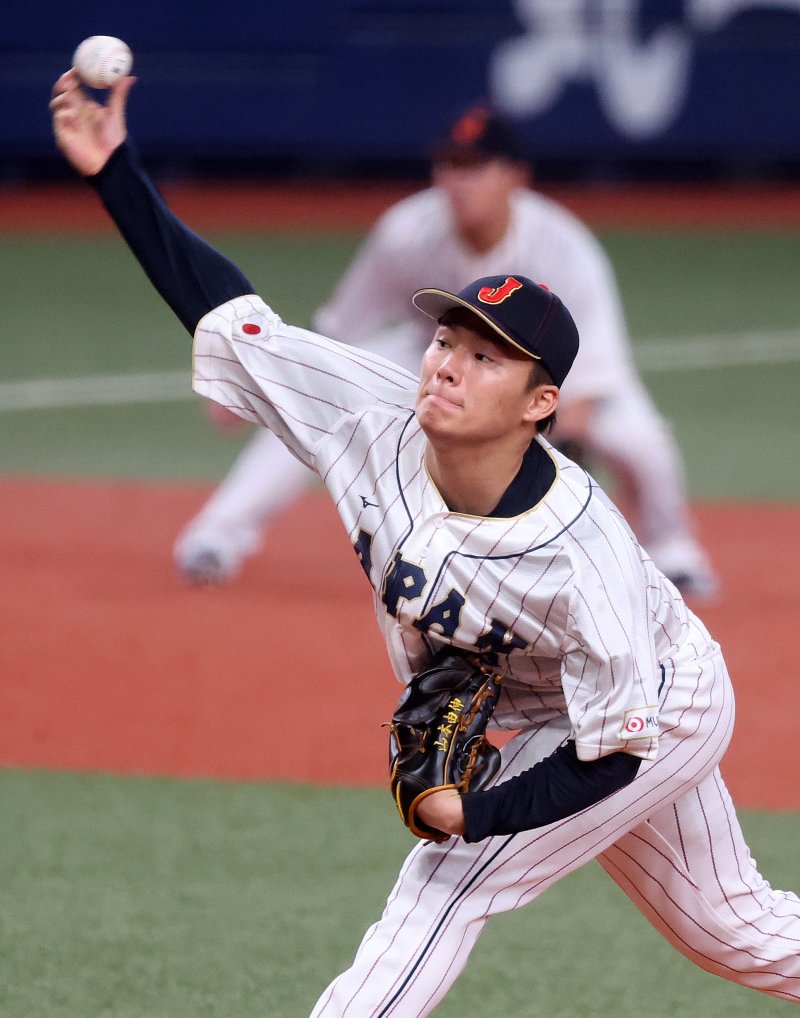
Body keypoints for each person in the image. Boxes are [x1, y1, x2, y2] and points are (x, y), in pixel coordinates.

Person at [50, 69, 800, 1015]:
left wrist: (475, 812)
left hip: (654, 710)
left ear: (539, 404)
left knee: (447, 882)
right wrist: (113, 170)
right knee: (737, 930)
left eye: (485, 356)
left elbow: (615, 749)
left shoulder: (580, 554)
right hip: (553, 701)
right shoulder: (373, 417)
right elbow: (231, 317)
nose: (448, 365)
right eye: (447, 339)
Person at [174, 104, 719, 601]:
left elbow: (588, 386)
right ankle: (217, 535)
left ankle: (672, 549)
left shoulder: (564, 247)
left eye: (475, 167)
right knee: (319, 404)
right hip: (431, 349)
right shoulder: (408, 231)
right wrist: (261, 380)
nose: (457, 182)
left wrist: (547, 478)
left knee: (640, 441)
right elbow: (342, 328)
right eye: (449, 165)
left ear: (514, 177)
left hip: (549, 375)